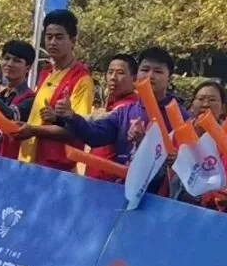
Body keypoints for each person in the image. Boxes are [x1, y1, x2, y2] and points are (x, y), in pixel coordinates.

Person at [53, 47, 179, 188]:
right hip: (119, 190)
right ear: (137, 75)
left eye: (158, 71)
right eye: (145, 70)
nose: (150, 76)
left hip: (159, 197)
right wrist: (70, 116)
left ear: (169, 78)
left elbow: (185, 165)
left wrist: (147, 143)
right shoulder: (124, 113)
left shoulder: (179, 117)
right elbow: (95, 135)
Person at [15, 9, 93, 170]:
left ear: (72, 41)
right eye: (49, 37)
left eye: (59, 37)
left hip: (57, 168)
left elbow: (78, 130)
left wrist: (34, 130)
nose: (52, 42)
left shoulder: (81, 79)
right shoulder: (46, 72)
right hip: (29, 159)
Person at [0, 39, 36, 159]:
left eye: (17, 61)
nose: (9, 64)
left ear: (28, 67)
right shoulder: (0, 96)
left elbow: (10, 116)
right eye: (6, 58)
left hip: (12, 163)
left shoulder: (30, 98)